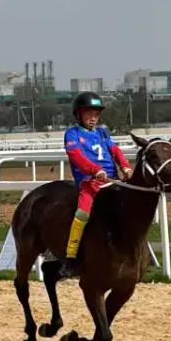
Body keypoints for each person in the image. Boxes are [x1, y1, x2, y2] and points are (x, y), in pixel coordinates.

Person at [61, 92, 133, 278]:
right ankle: (70, 257)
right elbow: (76, 156)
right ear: (78, 114)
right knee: (82, 215)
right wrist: (94, 170)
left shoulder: (102, 132)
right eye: (88, 114)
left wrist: (125, 167)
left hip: (112, 180)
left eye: (96, 114)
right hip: (89, 183)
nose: (93, 118)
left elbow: (115, 150)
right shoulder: (72, 134)